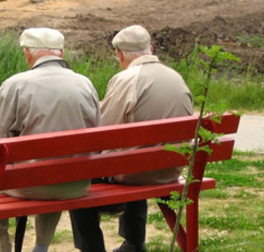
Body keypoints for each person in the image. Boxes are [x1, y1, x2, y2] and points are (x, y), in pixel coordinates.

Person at [69, 25, 194, 252]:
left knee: (78, 177)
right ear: (151, 49)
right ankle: (134, 244)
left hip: (138, 171)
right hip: (172, 167)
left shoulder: (126, 78)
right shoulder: (175, 77)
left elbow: (103, 131)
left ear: (119, 54)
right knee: (137, 156)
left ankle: (92, 248)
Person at [0, 27, 101, 252]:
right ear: (61, 52)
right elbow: (97, 134)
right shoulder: (84, 83)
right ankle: (41, 247)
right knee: (57, 167)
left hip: (33, 186)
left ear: (27, 53)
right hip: (77, 183)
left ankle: (3, 250)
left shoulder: (15, 85)